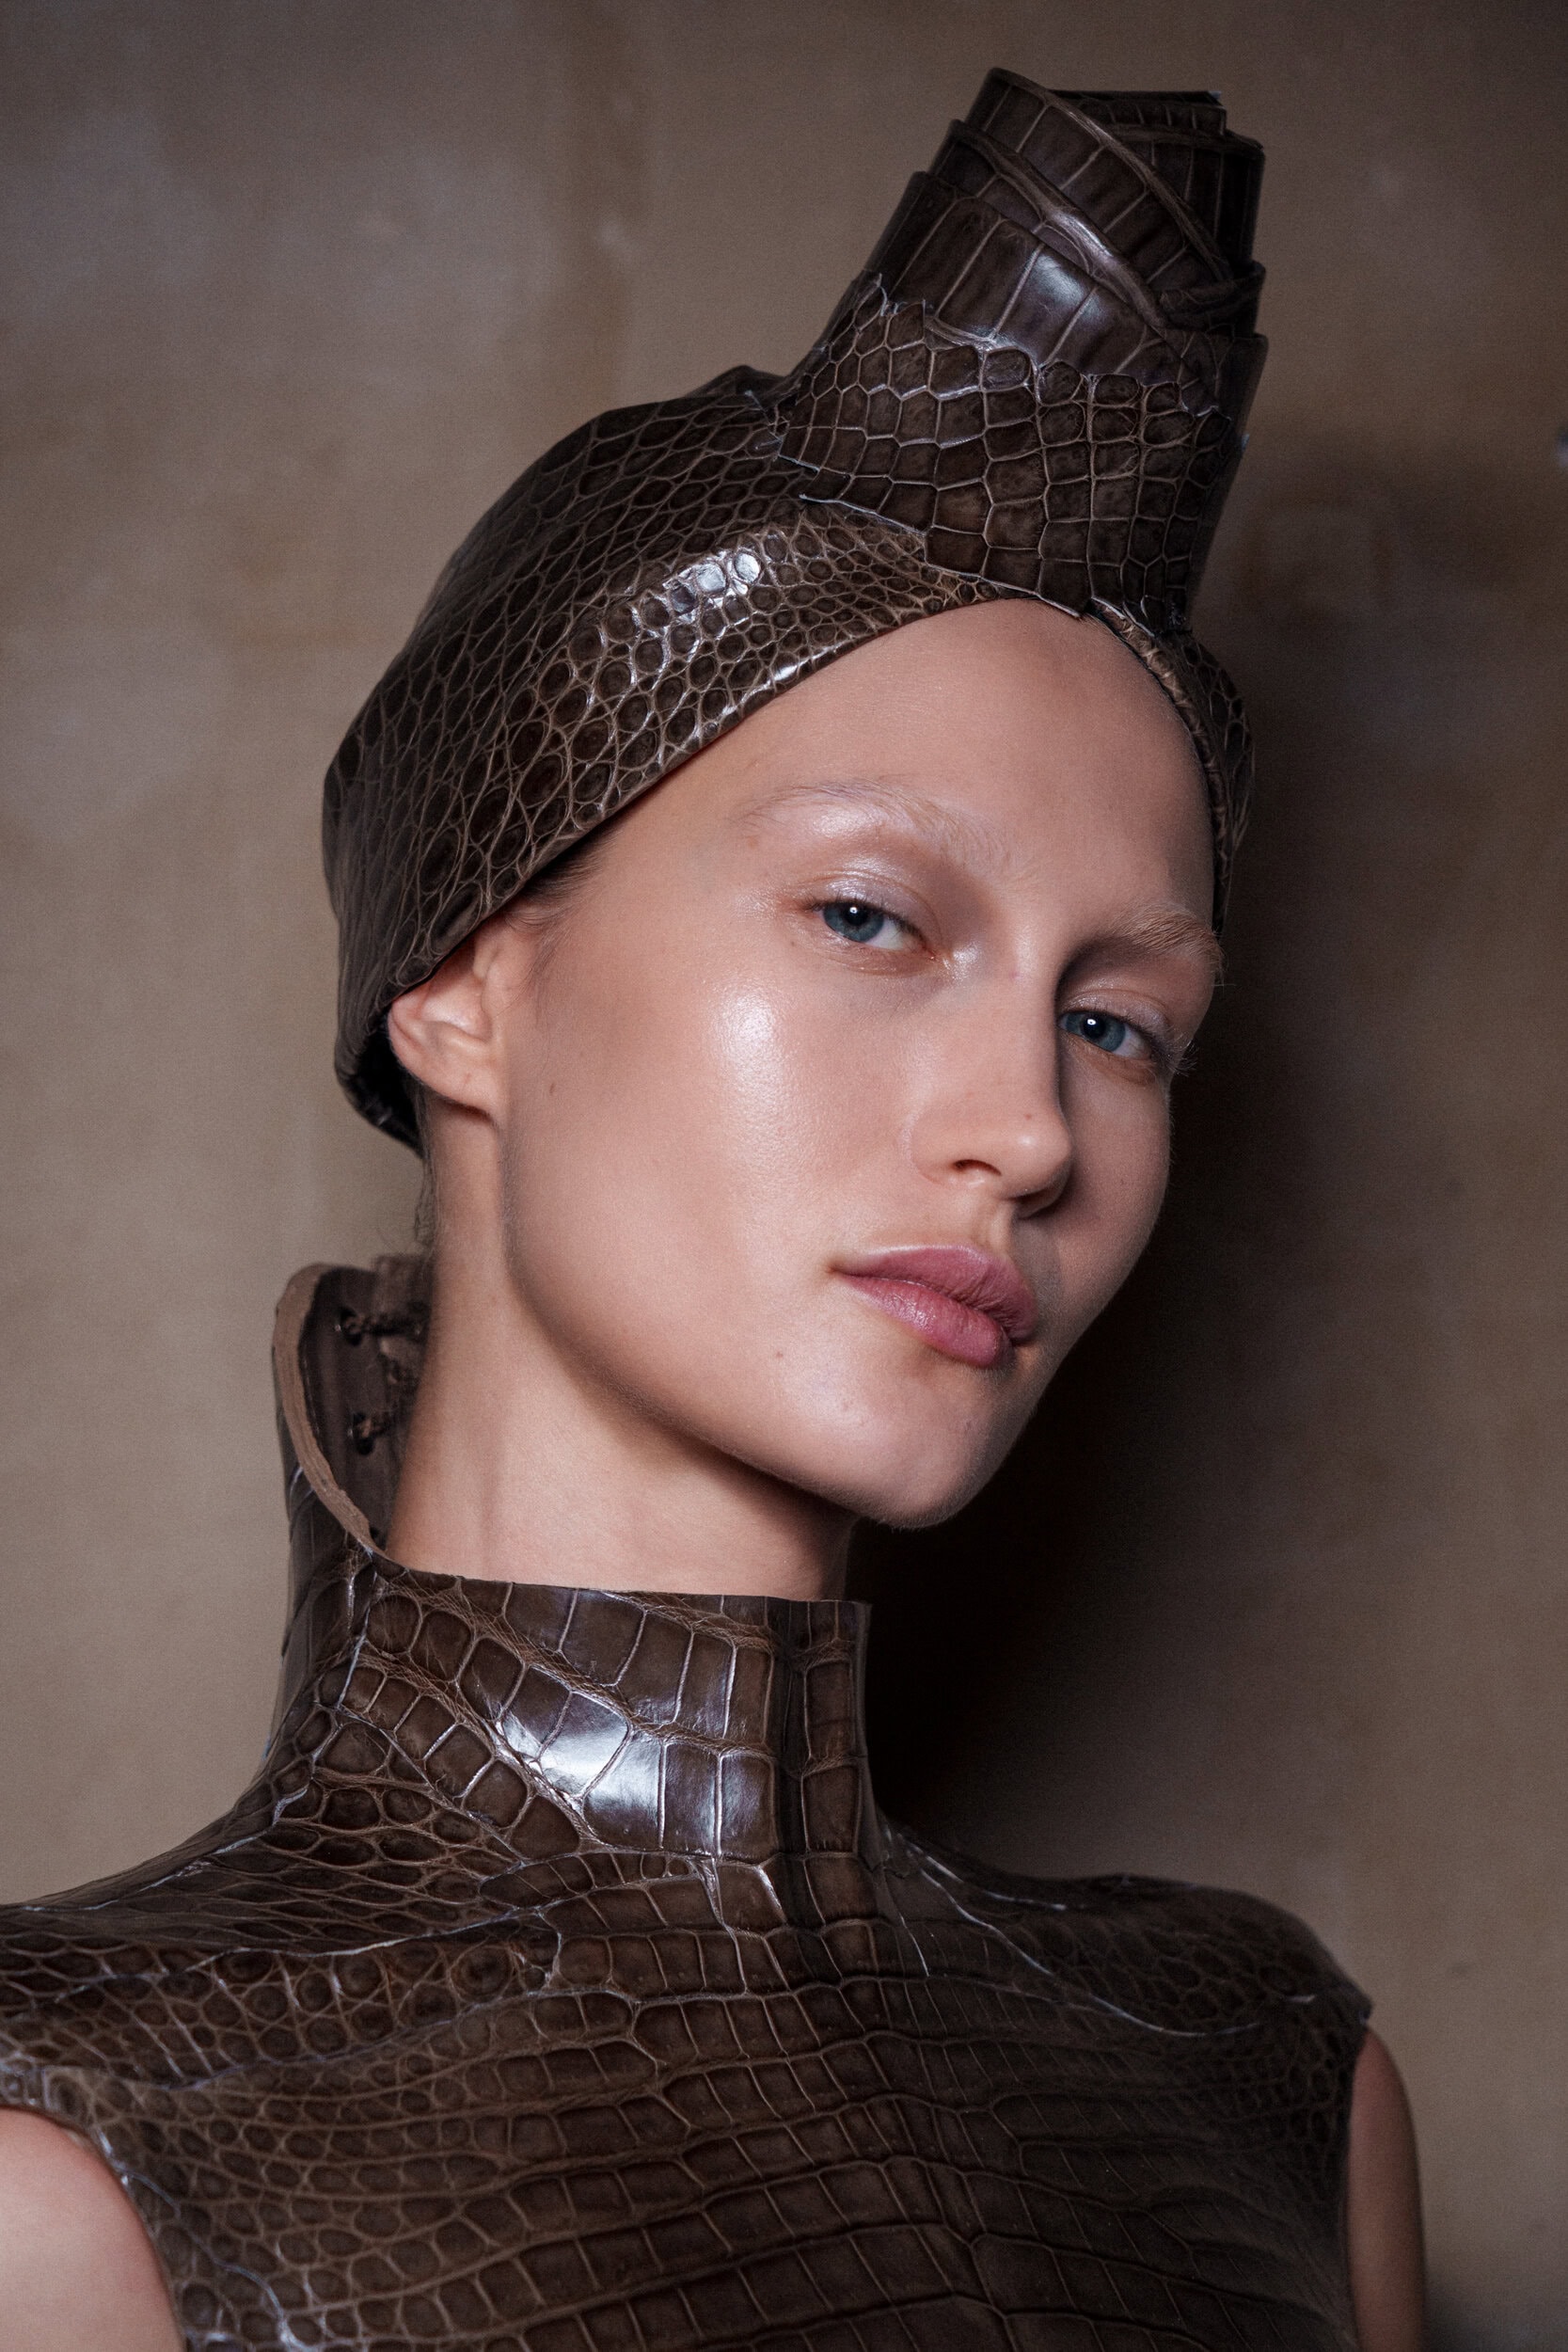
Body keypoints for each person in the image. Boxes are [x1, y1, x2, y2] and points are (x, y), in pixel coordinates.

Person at [0, 72, 1425, 2351]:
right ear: (466, 980)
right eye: (871, 915)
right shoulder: (72, 2146)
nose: (1032, 1129)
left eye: (1120, 1020)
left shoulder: (1267, 2076)